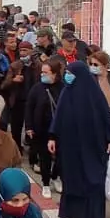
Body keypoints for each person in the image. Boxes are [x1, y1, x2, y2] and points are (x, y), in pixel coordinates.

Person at [50, 60, 110, 218]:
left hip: (94, 146)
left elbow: (106, 118)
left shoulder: (94, 95)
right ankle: (78, 215)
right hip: (70, 147)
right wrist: (52, 137)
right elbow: (58, 118)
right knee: (74, 180)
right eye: (67, 73)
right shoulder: (67, 93)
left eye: (71, 73)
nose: (68, 77)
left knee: (95, 181)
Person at [26, 55, 66, 194]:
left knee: (61, 157)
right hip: (41, 129)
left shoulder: (63, 88)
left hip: (60, 129)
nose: (42, 75)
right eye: (41, 72)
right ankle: (46, 183)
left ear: (54, 73)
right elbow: (29, 107)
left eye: (46, 73)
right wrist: (29, 126)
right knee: (44, 157)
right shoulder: (37, 88)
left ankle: (56, 177)